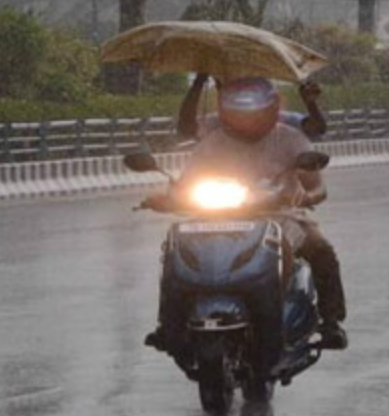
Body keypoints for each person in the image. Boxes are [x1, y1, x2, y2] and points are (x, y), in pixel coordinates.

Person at [148, 77, 348, 351]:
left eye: (254, 113)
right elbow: (187, 181)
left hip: (281, 214)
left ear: (272, 109)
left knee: (321, 249)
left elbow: (318, 188)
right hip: (216, 216)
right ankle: (168, 324)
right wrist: (168, 198)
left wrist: (305, 196)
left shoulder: (291, 138)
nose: (247, 121)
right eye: (239, 113)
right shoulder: (212, 141)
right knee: (174, 249)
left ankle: (331, 321)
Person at [177, 73, 328, 141]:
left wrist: (311, 103)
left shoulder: (281, 120)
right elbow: (186, 129)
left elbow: (317, 128)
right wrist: (198, 83)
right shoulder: (219, 123)